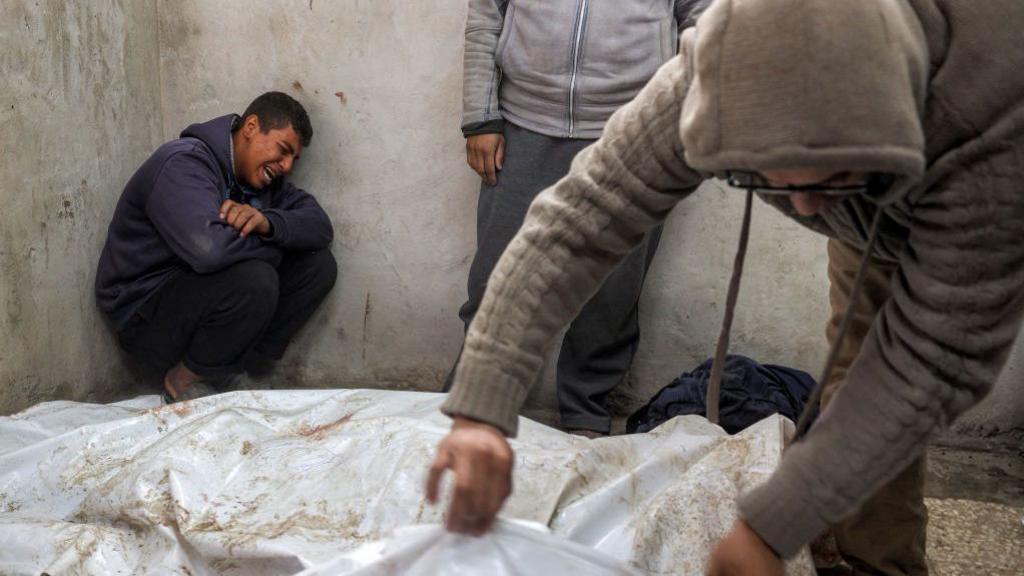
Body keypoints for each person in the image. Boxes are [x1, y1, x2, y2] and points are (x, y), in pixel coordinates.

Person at [425, 1, 1024, 575]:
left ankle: (880, 562)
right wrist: (482, 407)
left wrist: (772, 525)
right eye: (769, 181)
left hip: (953, 193)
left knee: (875, 385)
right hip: (881, 186)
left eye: (831, 178)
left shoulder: (993, 127)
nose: (804, 209)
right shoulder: (712, 70)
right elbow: (579, 220)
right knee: (851, 375)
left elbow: (932, 361)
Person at [450, 0, 708, 437]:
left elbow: (706, 26)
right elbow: (485, 17)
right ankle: (476, 404)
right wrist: (480, 117)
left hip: (634, 130)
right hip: (522, 125)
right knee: (496, 278)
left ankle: (586, 412)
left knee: (613, 291)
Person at [96, 92, 337, 403]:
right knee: (257, 278)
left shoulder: (262, 184)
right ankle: (181, 381)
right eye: (283, 150)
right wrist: (273, 247)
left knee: (317, 266)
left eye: (294, 159)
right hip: (143, 314)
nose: (287, 166)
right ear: (251, 127)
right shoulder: (183, 163)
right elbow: (208, 251)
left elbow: (319, 226)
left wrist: (267, 221)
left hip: (199, 301)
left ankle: (233, 369)